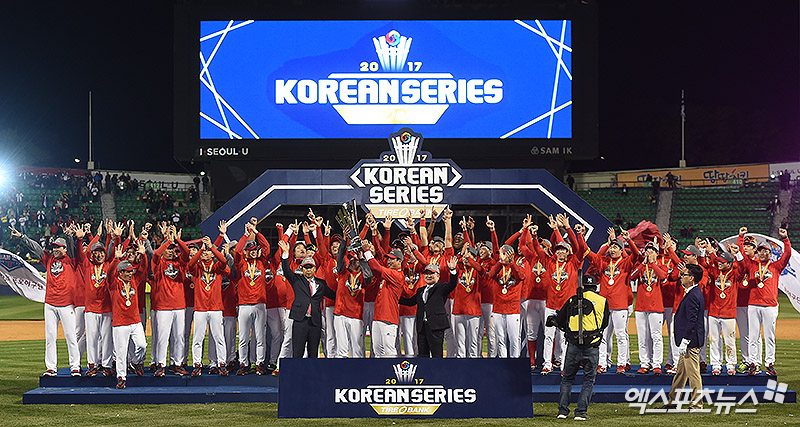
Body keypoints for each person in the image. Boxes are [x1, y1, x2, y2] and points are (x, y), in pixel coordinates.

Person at [12, 226, 82, 376]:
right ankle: (51, 368)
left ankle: (75, 366)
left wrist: (69, 236)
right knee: (50, 337)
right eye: (54, 247)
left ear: (65, 249)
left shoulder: (71, 260)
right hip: (50, 303)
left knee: (71, 337)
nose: (55, 249)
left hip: (66, 304)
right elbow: (36, 248)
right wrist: (22, 237)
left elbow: (72, 247)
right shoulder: (48, 259)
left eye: (58, 247)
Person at [549, 274, 609, 421]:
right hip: (592, 345)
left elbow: (560, 320)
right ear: (595, 287)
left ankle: (563, 411)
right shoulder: (602, 300)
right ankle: (581, 412)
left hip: (573, 345)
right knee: (588, 380)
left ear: (582, 286)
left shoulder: (572, 300)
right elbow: (605, 323)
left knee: (567, 379)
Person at [739, 228, 790, 376]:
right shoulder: (752, 265)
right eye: (760, 251)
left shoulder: (776, 267)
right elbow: (742, 254)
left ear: (770, 253)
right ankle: (753, 363)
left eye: (765, 251)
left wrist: (785, 238)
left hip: (770, 306)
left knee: (769, 337)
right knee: (753, 336)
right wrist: (741, 236)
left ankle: (769, 364)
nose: (762, 253)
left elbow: (787, 254)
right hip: (753, 305)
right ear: (757, 253)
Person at [277, 239, 336, 358]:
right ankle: (295, 371)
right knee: (297, 352)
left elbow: (334, 295)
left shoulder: (321, 284)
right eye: (306, 267)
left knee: (313, 352)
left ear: (314, 268)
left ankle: (312, 371)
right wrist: (285, 253)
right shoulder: (296, 280)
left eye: (310, 267)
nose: (308, 269)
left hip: (315, 322)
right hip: (300, 321)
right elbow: (287, 270)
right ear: (302, 269)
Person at [663, 264, 705, 410]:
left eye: (684, 275)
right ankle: (673, 402)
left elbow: (692, 320)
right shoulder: (693, 292)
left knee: (693, 374)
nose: (681, 277)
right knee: (680, 374)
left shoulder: (693, 295)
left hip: (690, 342)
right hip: (688, 341)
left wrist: (686, 340)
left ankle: (697, 405)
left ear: (691, 278)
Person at [107, 245, 149, 389]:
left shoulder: (134, 281)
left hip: (135, 321)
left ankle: (135, 362)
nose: (131, 274)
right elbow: (109, 273)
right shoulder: (114, 284)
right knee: (121, 352)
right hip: (120, 323)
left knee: (142, 345)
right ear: (121, 272)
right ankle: (121, 377)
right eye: (128, 272)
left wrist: (143, 255)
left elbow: (143, 269)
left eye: (131, 271)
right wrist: (116, 259)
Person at [399, 259, 459, 357]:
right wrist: (395, 298)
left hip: (436, 326)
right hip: (422, 327)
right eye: (426, 274)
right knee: (422, 355)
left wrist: (452, 270)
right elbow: (410, 302)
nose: (428, 276)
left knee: (436, 355)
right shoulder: (420, 290)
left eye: (432, 273)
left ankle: (437, 368)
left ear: (438, 276)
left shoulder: (442, 287)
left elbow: (452, 284)